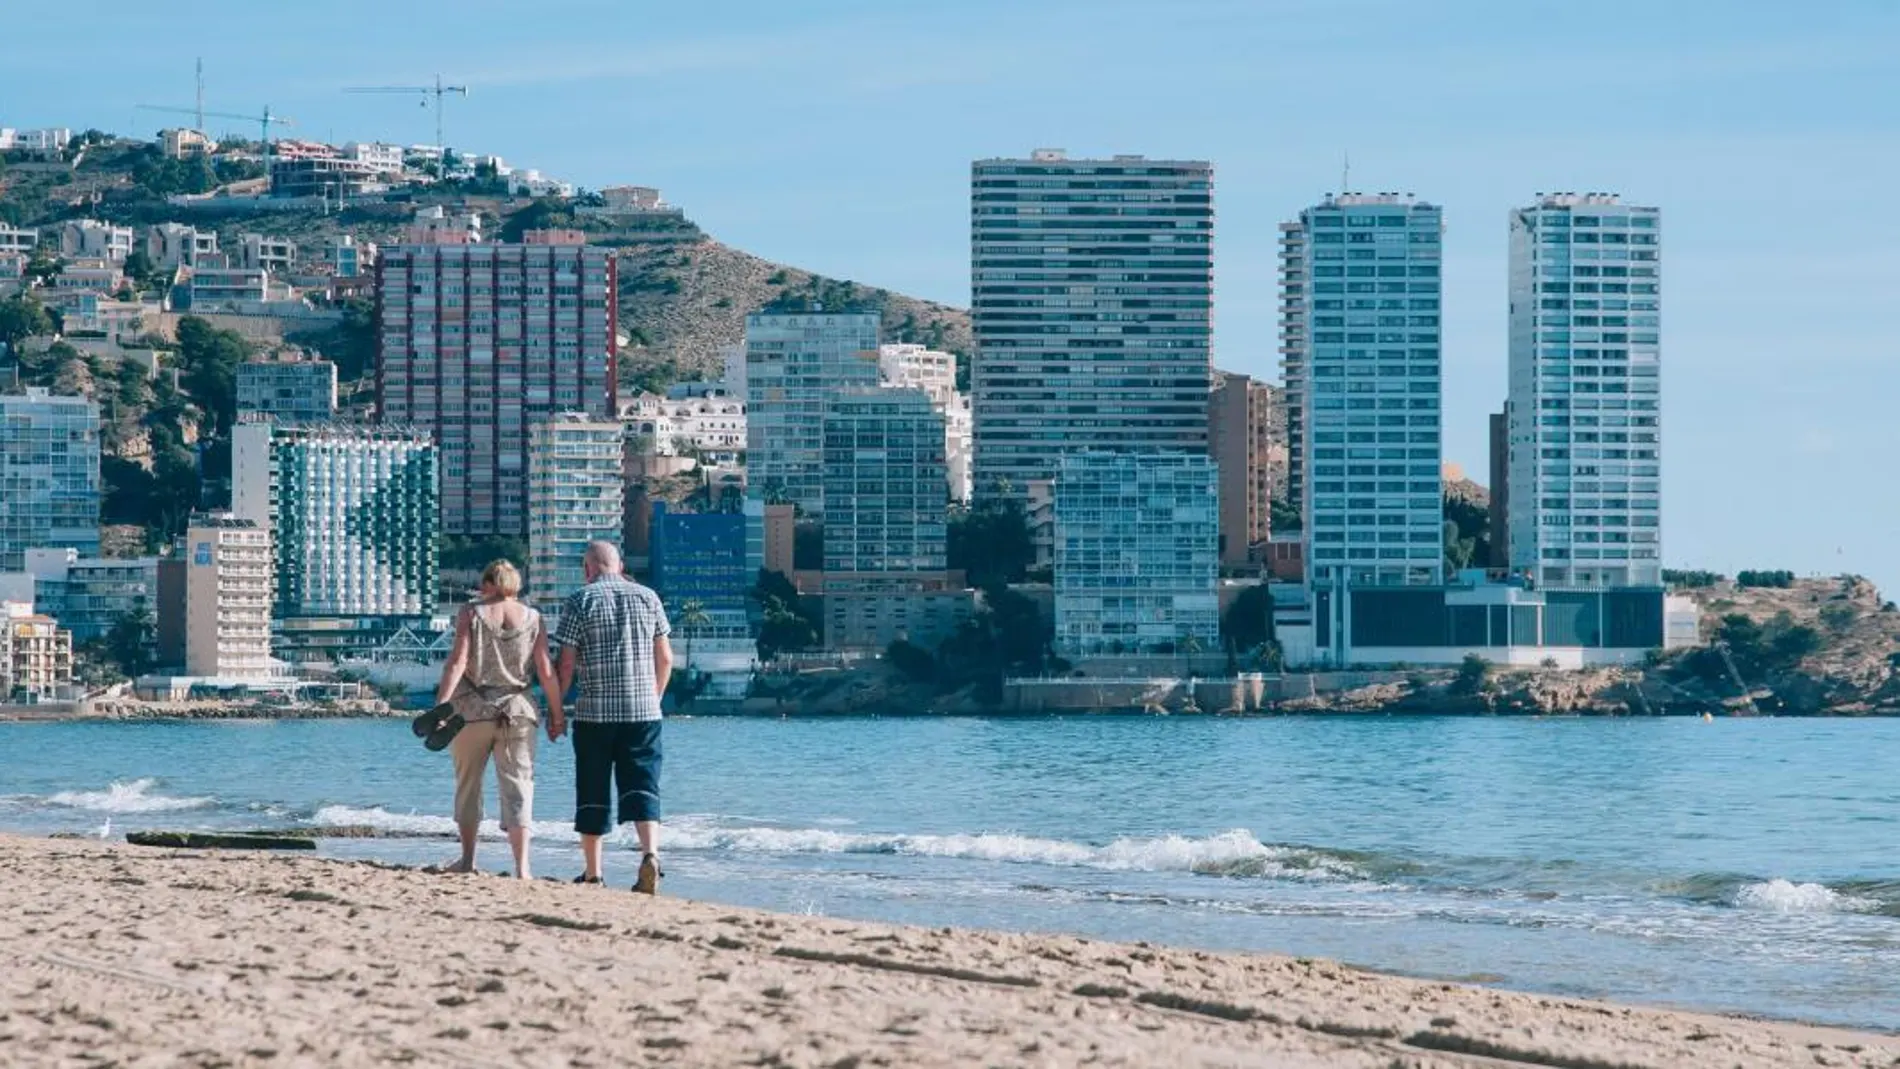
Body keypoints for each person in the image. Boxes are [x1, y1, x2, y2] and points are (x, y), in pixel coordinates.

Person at [552, 540, 672, 893]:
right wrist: (655, 698)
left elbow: (568, 663)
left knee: (593, 788)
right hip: (644, 712)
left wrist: (556, 711)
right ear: (619, 566)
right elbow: (665, 658)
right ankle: (650, 855)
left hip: (595, 714)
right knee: (643, 783)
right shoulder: (648, 597)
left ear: (588, 569)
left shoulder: (579, 600)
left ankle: (593, 873)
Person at [432, 560, 561, 879]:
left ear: (489, 583)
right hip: (517, 712)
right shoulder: (534, 618)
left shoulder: (471, 613)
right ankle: (523, 867)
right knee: (519, 787)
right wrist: (557, 714)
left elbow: (457, 662)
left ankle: (468, 860)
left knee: (468, 785)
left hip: (471, 712)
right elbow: (546, 670)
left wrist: (440, 708)